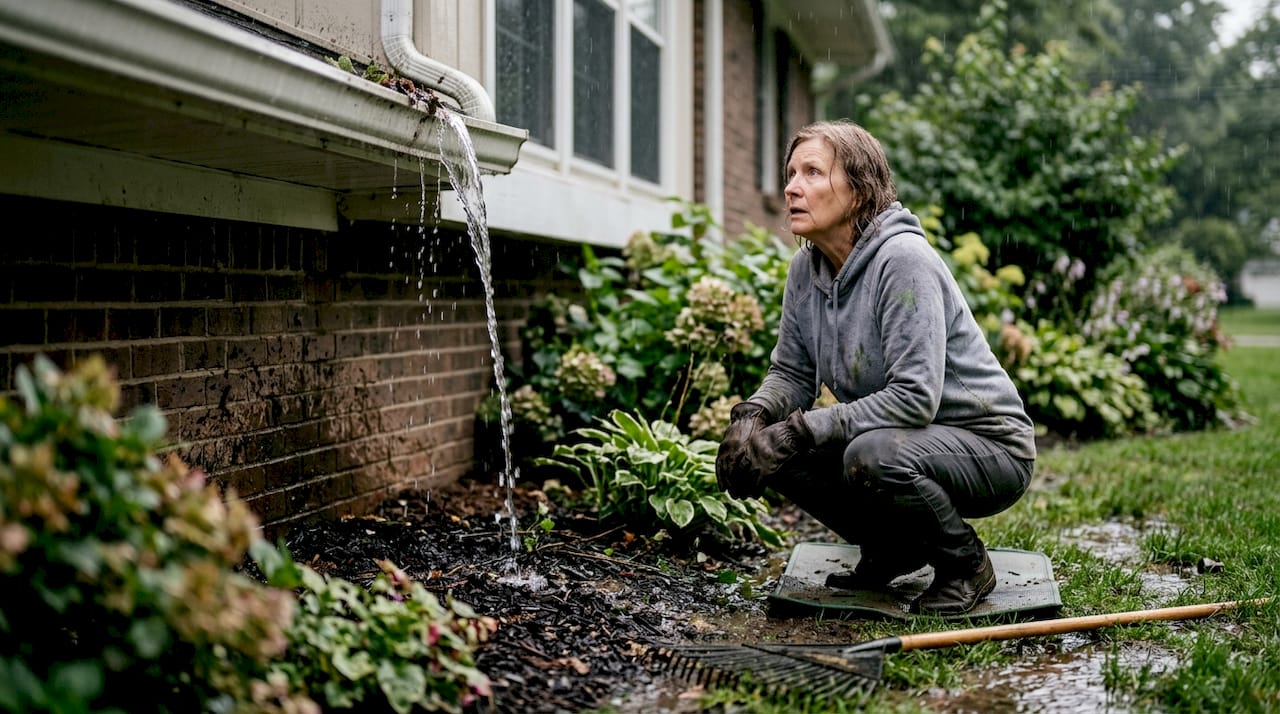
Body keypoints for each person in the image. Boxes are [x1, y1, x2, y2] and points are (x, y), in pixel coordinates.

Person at [716, 120, 1037, 615]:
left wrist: (800, 431)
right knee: (774, 445)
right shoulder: (807, 270)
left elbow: (914, 397)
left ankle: (965, 564)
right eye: (791, 172)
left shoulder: (904, 260)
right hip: (906, 436)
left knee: (868, 454)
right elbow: (793, 374)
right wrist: (752, 419)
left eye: (813, 173)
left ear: (860, 189)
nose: (791, 187)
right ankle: (893, 549)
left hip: (989, 447)